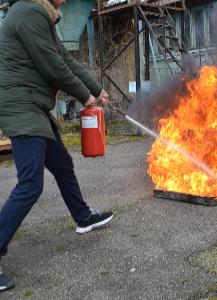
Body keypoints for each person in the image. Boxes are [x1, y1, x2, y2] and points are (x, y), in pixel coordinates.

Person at [0, 0, 114, 292]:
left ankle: (83, 217)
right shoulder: (28, 12)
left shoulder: (42, 16)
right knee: (30, 184)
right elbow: (52, 67)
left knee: (62, 164)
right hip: (21, 105)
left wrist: (96, 89)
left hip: (35, 105)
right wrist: (83, 95)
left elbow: (66, 60)